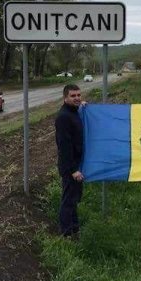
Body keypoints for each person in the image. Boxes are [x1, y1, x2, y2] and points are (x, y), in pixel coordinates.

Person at [55, 84, 85, 237]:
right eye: (73, 96)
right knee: (68, 201)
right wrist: (73, 170)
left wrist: (82, 107)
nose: (77, 98)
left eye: (79, 95)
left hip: (76, 164)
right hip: (70, 168)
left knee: (73, 200)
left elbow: (78, 109)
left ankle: (74, 229)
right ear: (65, 97)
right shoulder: (63, 117)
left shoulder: (73, 112)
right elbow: (64, 146)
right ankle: (66, 234)